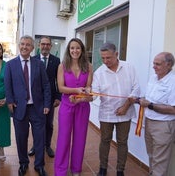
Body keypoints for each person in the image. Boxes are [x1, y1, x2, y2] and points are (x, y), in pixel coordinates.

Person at [4, 35, 51, 176]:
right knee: (20, 138)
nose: (25, 47)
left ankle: (39, 165)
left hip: (37, 108)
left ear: (32, 48)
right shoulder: (10, 65)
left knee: (39, 138)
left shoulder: (39, 64)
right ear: (19, 45)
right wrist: (10, 101)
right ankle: (23, 163)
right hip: (19, 108)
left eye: (28, 45)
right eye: (22, 44)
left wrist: (47, 104)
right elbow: (8, 85)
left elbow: (46, 85)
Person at [91, 42, 140, 176]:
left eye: (109, 58)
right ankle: (103, 168)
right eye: (103, 58)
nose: (105, 61)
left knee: (122, 142)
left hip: (126, 113)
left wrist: (125, 107)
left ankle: (120, 170)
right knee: (105, 141)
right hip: (106, 114)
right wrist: (84, 96)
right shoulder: (99, 72)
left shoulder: (129, 68)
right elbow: (94, 95)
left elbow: (136, 89)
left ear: (116, 54)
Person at [54, 38, 93, 176]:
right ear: (68, 50)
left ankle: (76, 169)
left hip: (82, 106)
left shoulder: (88, 66)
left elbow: (88, 88)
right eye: (72, 48)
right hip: (66, 106)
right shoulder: (62, 66)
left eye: (77, 48)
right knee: (63, 138)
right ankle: (60, 171)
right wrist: (76, 91)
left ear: (82, 50)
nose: (75, 51)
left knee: (80, 138)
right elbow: (60, 87)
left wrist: (85, 94)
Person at [138, 52, 175, 176]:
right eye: (153, 63)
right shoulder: (154, 78)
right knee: (152, 155)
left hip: (163, 126)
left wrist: (149, 105)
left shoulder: (173, 82)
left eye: (157, 64)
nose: (154, 66)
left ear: (168, 65)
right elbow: (149, 98)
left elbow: (173, 109)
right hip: (149, 122)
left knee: (160, 160)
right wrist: (139, 100)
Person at [28, 36, 61, 158]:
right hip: (35, 99)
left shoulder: (56, 61)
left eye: (48, 44)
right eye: (43, 44)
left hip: (51, 99)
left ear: (51, 46)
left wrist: (58, 97)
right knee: (36, 124)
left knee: (49, 124)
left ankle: (47, 145)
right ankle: (36, 146)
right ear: (39, 45)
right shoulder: (33, 59)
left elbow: (58, 80)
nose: (45, 46)